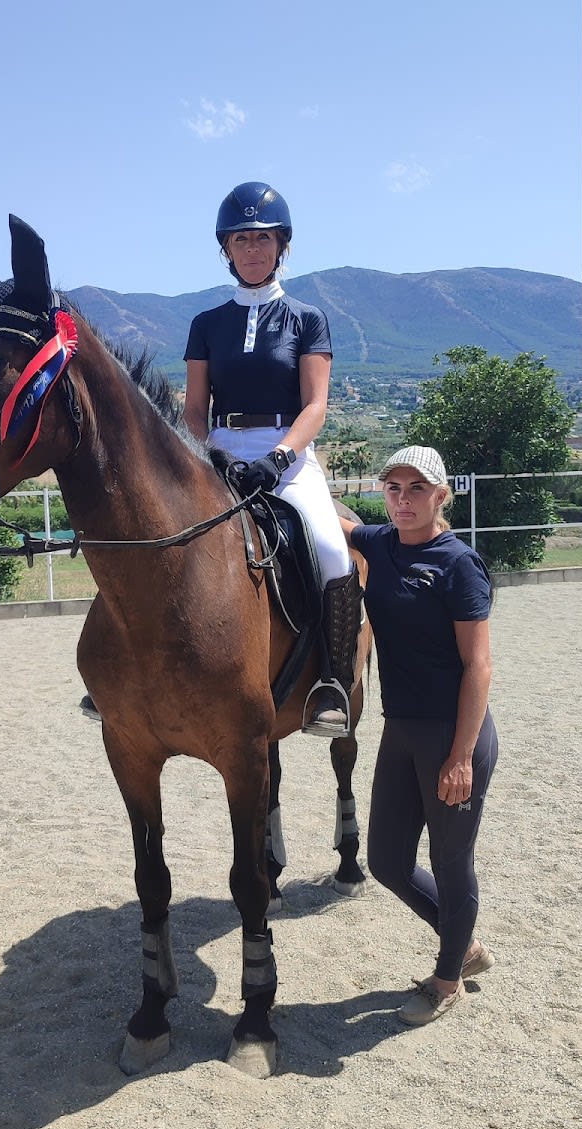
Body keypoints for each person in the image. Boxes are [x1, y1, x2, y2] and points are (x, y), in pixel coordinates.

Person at [182, 181, 362, 736]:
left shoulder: (307, 318)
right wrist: (212, 455)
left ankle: (332, 681)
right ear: (226, 248)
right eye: (241, 239)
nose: (252, 248)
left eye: (262, 238)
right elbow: (194, 410)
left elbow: (316, 406)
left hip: (289, 454)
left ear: (281, 245)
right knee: (155, 527)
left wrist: (278, 458)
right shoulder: (206, 324)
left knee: (332, 549)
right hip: (219, 454)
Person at [340, 445, 498, 1025]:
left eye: (416, 489)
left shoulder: (458, 564)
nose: (403, 500)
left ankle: (447, 979)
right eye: (393, 488)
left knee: (451, 862)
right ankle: (464, 945)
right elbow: (330, 518)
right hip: (401, 729)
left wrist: (461, 756)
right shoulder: (380, 542)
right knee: (385, 861)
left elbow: (478, 666)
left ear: (441, 496)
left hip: (453, 735)